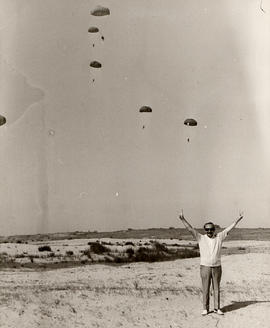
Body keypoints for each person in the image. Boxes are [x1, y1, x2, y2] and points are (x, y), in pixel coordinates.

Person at [178, 210, 244, 316]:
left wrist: (239, 218)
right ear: (205, 230)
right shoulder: (200, 238)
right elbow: (190, 229)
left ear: (214, 229)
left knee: (216, 288)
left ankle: (217, 308)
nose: (209, 231)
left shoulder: (219, 237)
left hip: (217, 267)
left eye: (211, 229)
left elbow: (230, 228)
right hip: (205, 267)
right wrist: (182, 218)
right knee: (205, 288)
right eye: (207, 229)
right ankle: (205, 308)